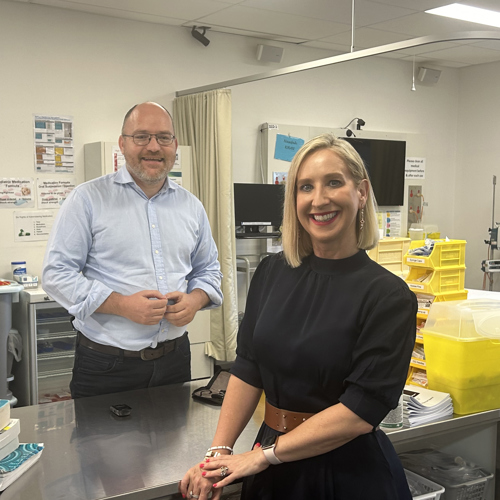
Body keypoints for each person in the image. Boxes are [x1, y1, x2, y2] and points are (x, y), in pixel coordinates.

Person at [180, 133, 417, 500]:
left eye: (333, 183)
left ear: (362, 192)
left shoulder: (388, 296)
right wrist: (219, 452)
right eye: (305, 187)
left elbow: (359, 411)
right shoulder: (272, 271)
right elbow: (248, 367)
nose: (318, 199)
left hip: (345, 474)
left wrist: (262, 458)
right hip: (270, 465)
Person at [42, 102, 223, 398]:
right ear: (122, 144)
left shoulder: (191, 206)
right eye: (141, 136)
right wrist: (121, 305)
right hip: (106, 365)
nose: (153, 146)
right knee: (98, 444)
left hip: (175, 359)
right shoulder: (87, 200)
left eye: (164, 137)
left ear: (174, 145)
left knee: (176, 444)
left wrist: (195, 299)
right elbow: (56, 275)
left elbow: (209, 269)